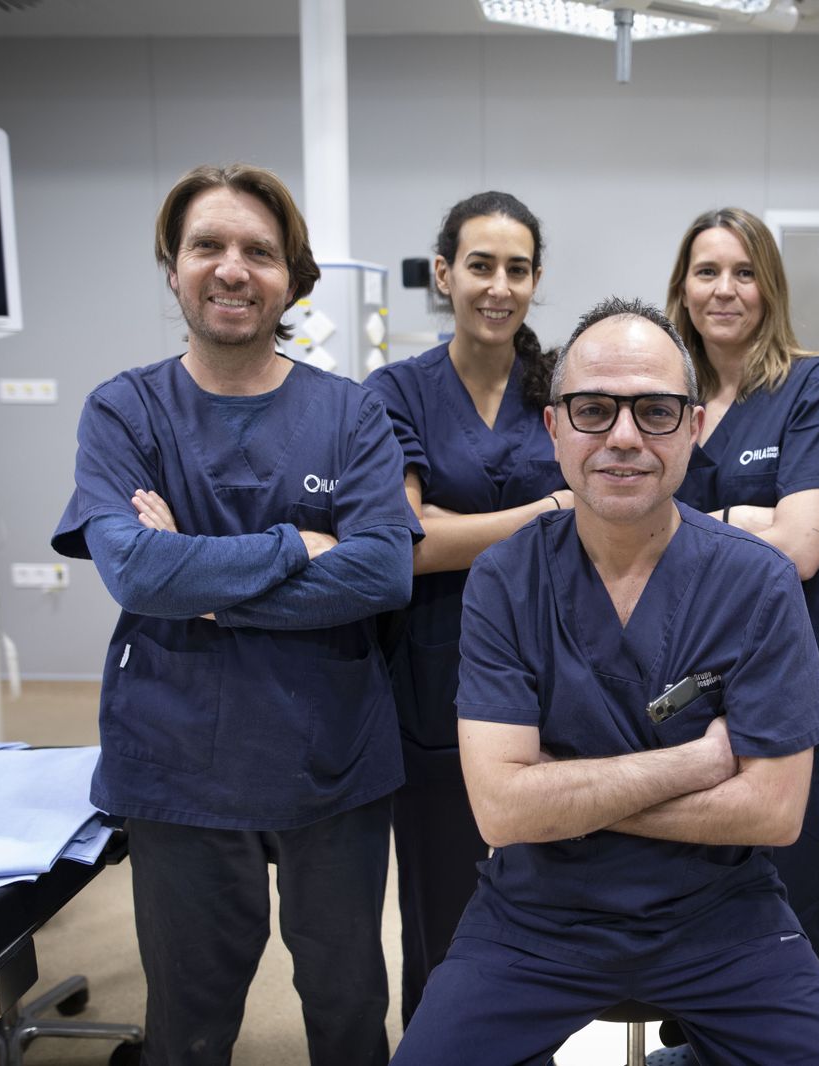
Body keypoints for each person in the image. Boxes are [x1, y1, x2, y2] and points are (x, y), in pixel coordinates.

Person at [390, 297, 819, 1066]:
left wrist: (562, 798)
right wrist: (698, 763)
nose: (622, 437)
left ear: (694, 428)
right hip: (538, 914)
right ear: (555, 430)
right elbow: (500, 812)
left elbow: (776, 812)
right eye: (592, 410)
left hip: (720, 915)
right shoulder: (505, 580)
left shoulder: (757, 582)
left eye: (654, 410)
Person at [52, 163, 422, 1066]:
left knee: (346, 1004)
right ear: (171, 268)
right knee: (189, 1016)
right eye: (206, 246)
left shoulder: (351, 414)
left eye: (259, 251)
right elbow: (137, 570)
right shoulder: (125, 410)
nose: (231, 268)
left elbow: (383, 573)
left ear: (291, 277)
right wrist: (295, 544)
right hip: (179, 758)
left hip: (325, 754)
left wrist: (207, 589)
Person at [365, 191, 569, 1024]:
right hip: (433, 677)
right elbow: (405, 543)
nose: (498, 286)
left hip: (559, 673)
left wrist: (460, 526)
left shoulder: (564, 385)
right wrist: (545, 515)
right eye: (479, 265)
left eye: (517, 269)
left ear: (536, 280)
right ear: (444, 273)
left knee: (556, 902)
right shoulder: (396, 392)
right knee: (442, 910)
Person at [665, 207, 819, 981]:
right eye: (707, 271)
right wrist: (749, 520)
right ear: (682, 289)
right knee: (686, 880)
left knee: (786, 883)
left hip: (786, 684)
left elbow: (801, 549)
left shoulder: (814, 387)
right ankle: (697, 1041)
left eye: (745, 272)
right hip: (676, 685)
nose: (726, 290)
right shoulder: (663, 393)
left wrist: (698, 522)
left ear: (771, 287)